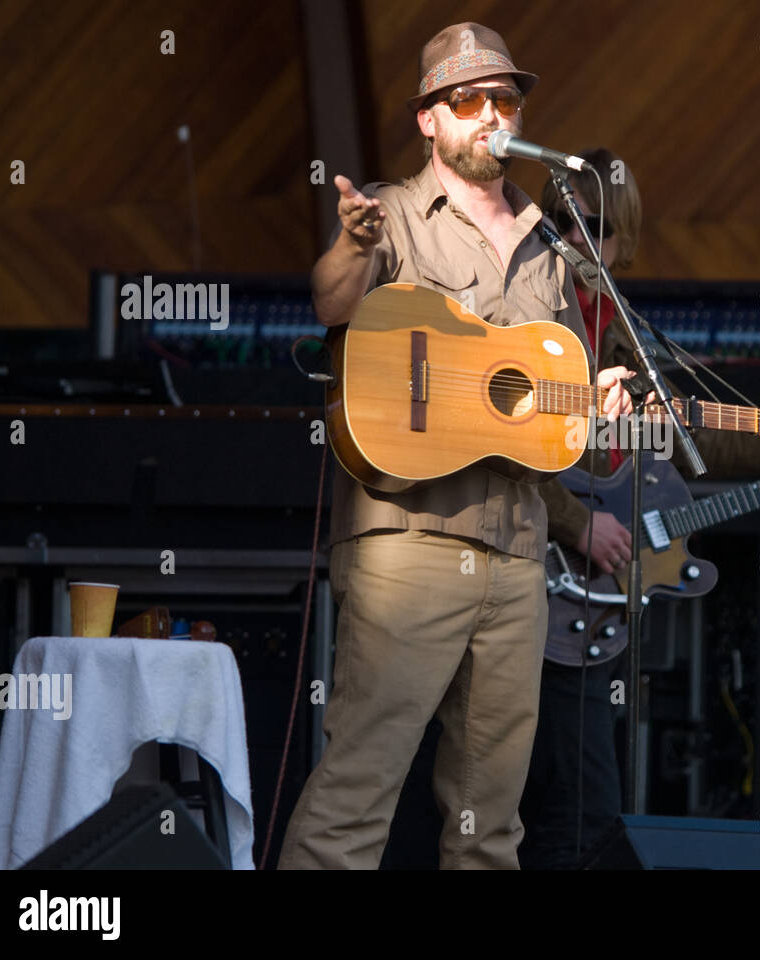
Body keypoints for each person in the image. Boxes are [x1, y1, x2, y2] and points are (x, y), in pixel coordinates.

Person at [278, 23, 642, 870]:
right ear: (429, 121)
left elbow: (547, 425)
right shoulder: (394, 212)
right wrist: (353, 247)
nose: (489, 113)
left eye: (504, 99)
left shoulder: (554, 244)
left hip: (516, 557)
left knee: (493, 825)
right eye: (467, 99)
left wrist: (597, 407)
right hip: (409, 544)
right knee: (356, 795)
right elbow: (332, 307)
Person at [518, 148, 760, 868]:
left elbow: (704, 431)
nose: (575, 237)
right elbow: (497, 443)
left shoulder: (623, 331)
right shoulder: (527, 312)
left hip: (578, 603)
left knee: (583, 808)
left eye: (596, 226)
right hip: (520, 579)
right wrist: (577, 522)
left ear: (624, 241)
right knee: (546, 810)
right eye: (561, 221)